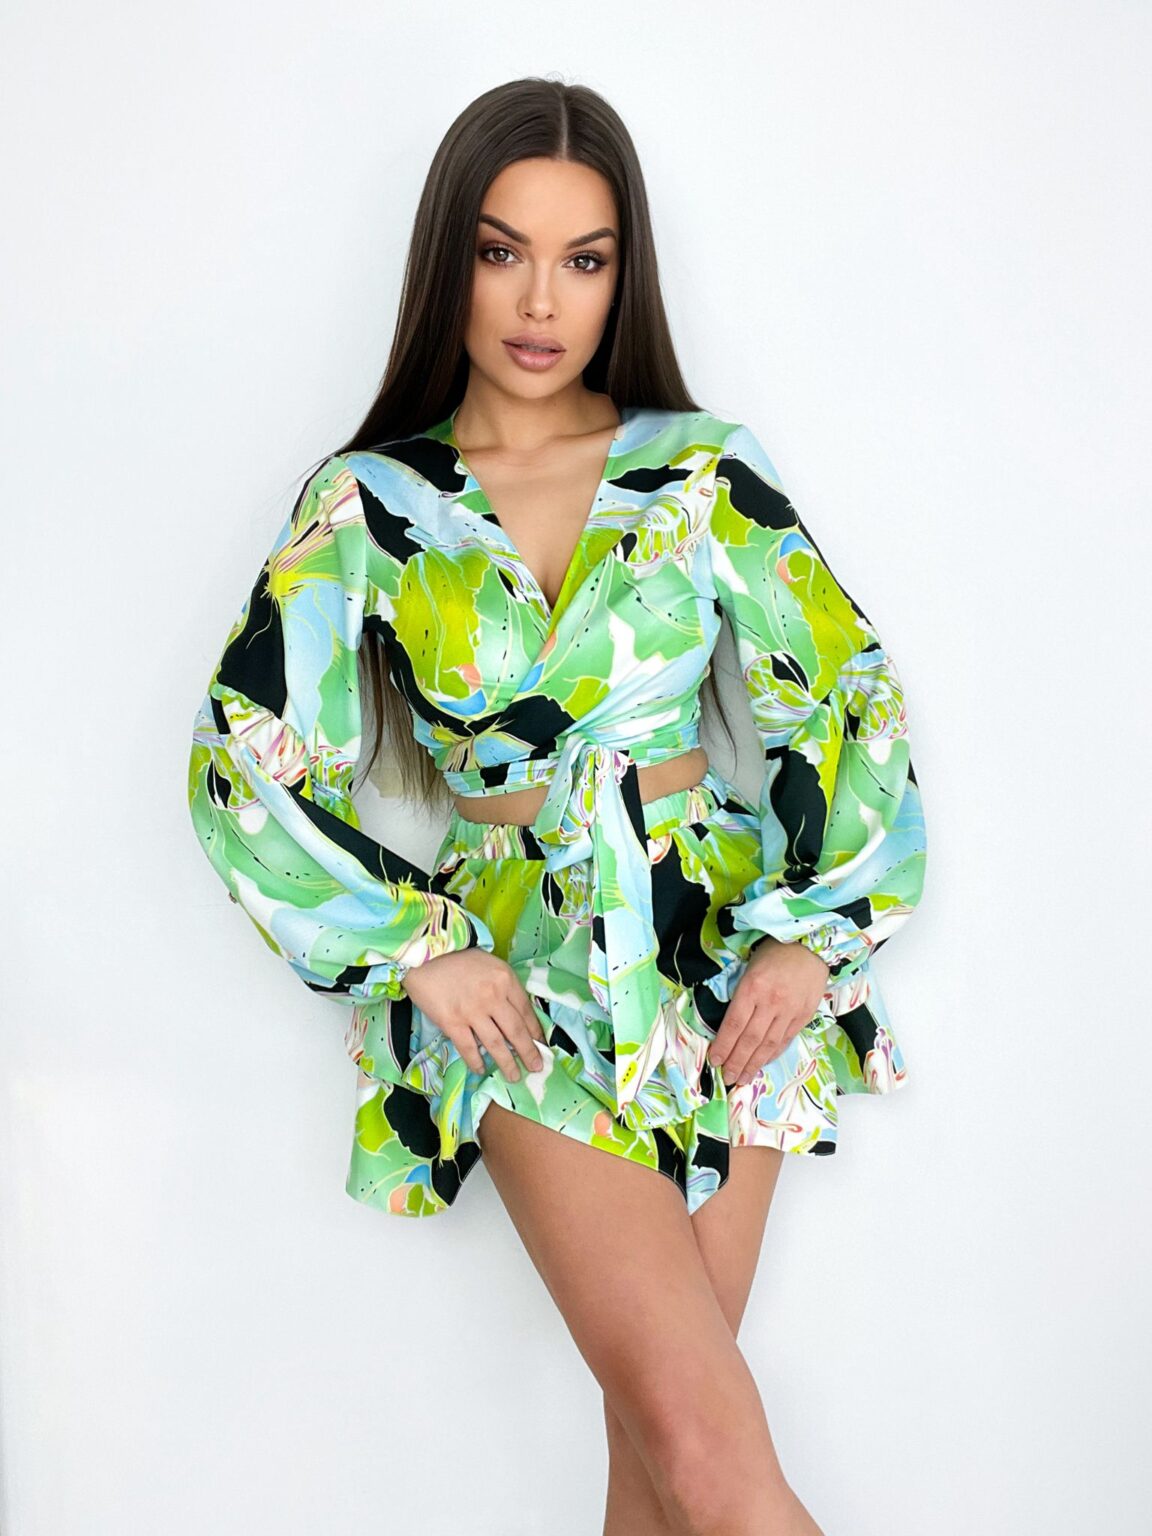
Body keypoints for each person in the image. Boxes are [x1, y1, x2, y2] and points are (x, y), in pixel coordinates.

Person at [187, 76, 927, 1536]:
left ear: (620, 274)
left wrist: (812, 936)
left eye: (583, 260)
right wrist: (419, 950)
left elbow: (846, 696)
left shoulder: (703, 471)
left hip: (714, 953)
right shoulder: (369, 505)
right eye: (501, 250)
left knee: (664, 1463)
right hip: (519, 974)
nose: (541, 301)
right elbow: (241, 757)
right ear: (448, 263)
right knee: (704, 1452)